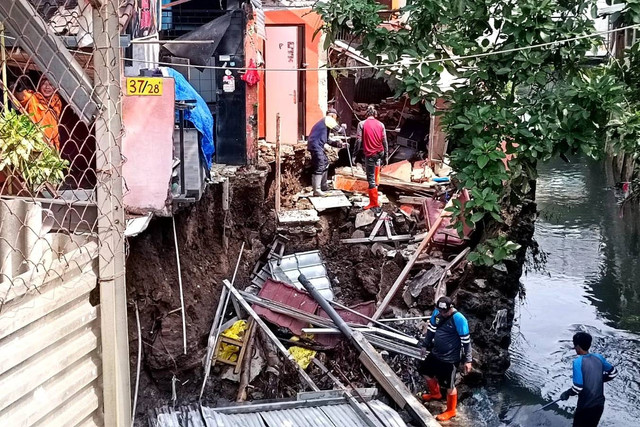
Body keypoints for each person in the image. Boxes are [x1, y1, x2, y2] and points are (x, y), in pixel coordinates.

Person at [418, 296, 472, 421]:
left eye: (445, 311)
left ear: (451, 308)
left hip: (450, 359)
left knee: (449, 385)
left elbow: (466, 341)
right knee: (425, 372)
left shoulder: (459, 319)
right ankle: (435, 393)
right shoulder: (437, 314)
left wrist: (468, 360)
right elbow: (431, 330)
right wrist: (424, 345)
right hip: (436, 353)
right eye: (440, 311)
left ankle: (451, 410)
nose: (442, 314)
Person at [559, 332, 617, 427]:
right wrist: (598, 379)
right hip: (599, 405)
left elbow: (578, 388)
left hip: (585, 407)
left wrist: (567, 393)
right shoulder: (598, 357)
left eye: (574, 345)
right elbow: (613, 373)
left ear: (577, 346)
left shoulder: (577, 362)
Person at [13, 76, 63, 150]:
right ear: (39, 85)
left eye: (50, 84)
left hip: (52, 146)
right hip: (36, 143)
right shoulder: (33, 98)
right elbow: (23, 96)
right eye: (43, 83)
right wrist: (18, 88)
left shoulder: (57, 102)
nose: (47, 87)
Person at [307, 108, 347, 196]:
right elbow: (340, 130)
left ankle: (323, 186)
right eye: (336, 118)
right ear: (333, 115)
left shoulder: (324, 125)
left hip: (316, 145)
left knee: (325, 162)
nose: (336, 120)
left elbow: (327, 140)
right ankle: (316, 190)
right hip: (315, 145)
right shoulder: (328, 119)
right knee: (320, 165)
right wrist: (343, 127)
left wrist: (340, 145)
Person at [355, 105, 388, 211]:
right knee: (377, 165)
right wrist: (386, 155)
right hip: (380, 152)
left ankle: (374, 202)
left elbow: (358, 141)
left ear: (366, 114)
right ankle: (376, 187)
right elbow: (384, 141)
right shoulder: (381, 124)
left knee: (370, 179)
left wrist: (354, 154)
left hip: (370, 154)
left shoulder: (362, 124)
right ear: (375, 114)